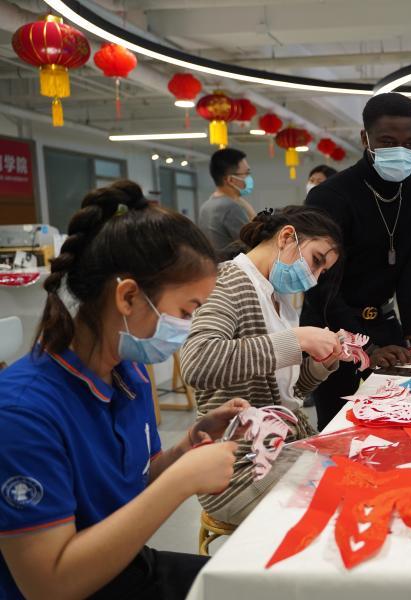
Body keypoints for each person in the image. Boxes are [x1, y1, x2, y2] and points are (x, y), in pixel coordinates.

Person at [0, 180, 243, 599]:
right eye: (187, 311)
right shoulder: (23, 413)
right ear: (128, 297)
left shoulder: (129, 375)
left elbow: (134, 481)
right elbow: (49, 585)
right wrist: (181, 482)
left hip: (123, 568)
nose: (188, 328)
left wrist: (185, 449)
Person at [180, 206, 343, 524]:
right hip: (237, 469)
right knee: (345, 502)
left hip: (279, 448)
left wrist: (321, 364)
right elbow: (198, 361)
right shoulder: (228, 283)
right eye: (316, 260)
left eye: (322, 272)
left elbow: (285, 396)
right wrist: (296, 340)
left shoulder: (278, 299)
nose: (313, 278)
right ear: (287, 237)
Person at [302, 92, 411, 428]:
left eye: (410, 143)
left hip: (382, 319)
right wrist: (366, 347)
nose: (401, 150)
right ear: (365, 138)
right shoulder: (329, 196)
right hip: (330, 326)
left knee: (400, 419)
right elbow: (321, 283)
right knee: (336, 425)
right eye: (388, 142)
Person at [199, 148, 255, 260]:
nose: (249, 178)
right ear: (230, 180)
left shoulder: (206, 206)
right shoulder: (231, 208)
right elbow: (254, 244)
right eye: (246, 173)